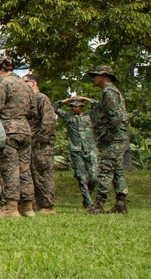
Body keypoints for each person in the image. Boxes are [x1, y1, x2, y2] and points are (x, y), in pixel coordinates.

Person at [0, 56, 35, 218]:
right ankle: (27, 208)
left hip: (8, 129)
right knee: (24, 169)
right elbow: (33, 111)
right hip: (25, 129)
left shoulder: (2, 83)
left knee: (9, 168)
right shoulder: (26, 86)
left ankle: (11, 208)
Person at [83, 65, 130, 214]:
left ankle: (99, 204)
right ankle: (121, 203)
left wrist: (110, 134)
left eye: (95, 75)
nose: (94, 78)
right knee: (117, 170)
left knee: (106, 169)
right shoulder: (111, 92)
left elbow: (117, 116)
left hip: (113, 138)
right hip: (118, 137)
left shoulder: (109, 92)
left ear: (104, 76)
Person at [55, 96, 99, 208]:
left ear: (82, 107)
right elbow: (52, 106)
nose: (75, 108)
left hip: (90, 149)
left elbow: (100, 106)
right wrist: (67, 100)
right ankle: (88, 201)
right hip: (76, 149)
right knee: (81, 177)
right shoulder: (68, 116)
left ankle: (88, 194)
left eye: (77, 106)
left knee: (94, 177)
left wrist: (86, 98)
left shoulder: (90, 115)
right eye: (73, 106)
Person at [23, 74, 57, 214]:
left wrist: (39, 137)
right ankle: (37, 203)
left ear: (34, 83)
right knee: (33, 174)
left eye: (25, 82)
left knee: (43, 174)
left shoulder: (41, 98)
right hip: (31, 144)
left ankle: (47, 206)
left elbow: (49, 120)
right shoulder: (29, 100)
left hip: (41, 145)